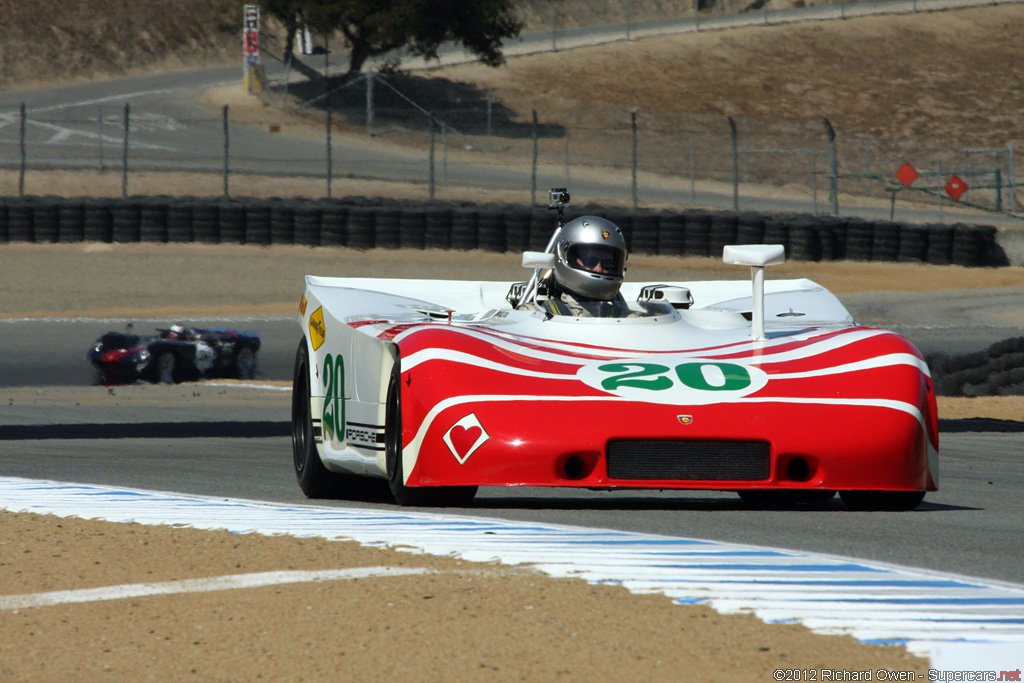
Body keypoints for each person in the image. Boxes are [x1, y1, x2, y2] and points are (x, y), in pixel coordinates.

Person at [529, 215, 634, 318]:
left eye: (608, 264)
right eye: (590, 261)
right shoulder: (535, 314)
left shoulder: (626, 319)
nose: (599, 269)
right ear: (567, 257)